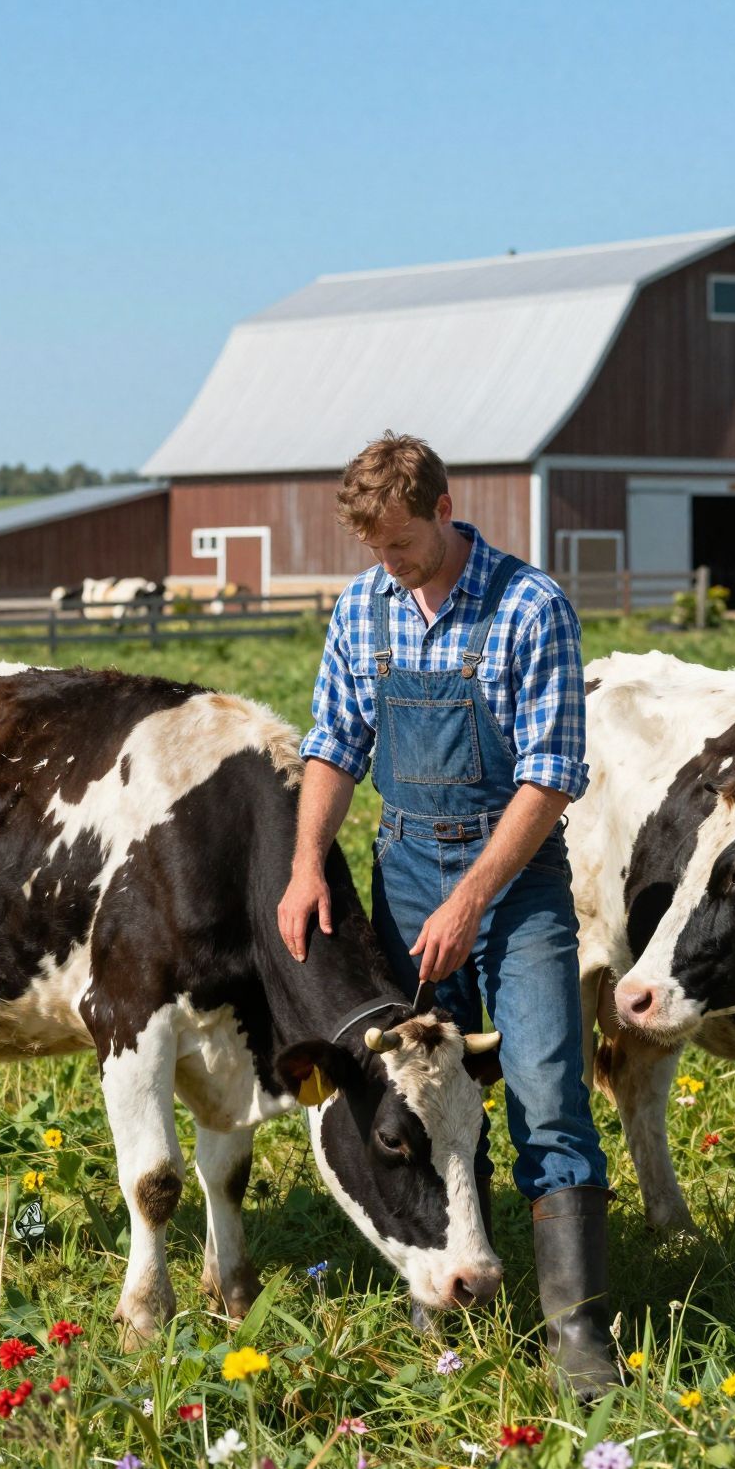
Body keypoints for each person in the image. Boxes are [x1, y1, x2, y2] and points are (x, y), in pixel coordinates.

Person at [277, 431, 616, 1396]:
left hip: (515, 884)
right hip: (403, 872)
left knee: (547, 1087)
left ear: (443, 508)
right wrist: (308, 866)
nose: (390, 564)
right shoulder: (363, 608)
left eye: (403, 545)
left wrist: (474, 896)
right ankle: (443, 1301)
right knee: (418, 1095)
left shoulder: (528, 606)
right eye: (374, 549)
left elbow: (551, 775)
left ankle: (576, 1337)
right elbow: (336, 744)